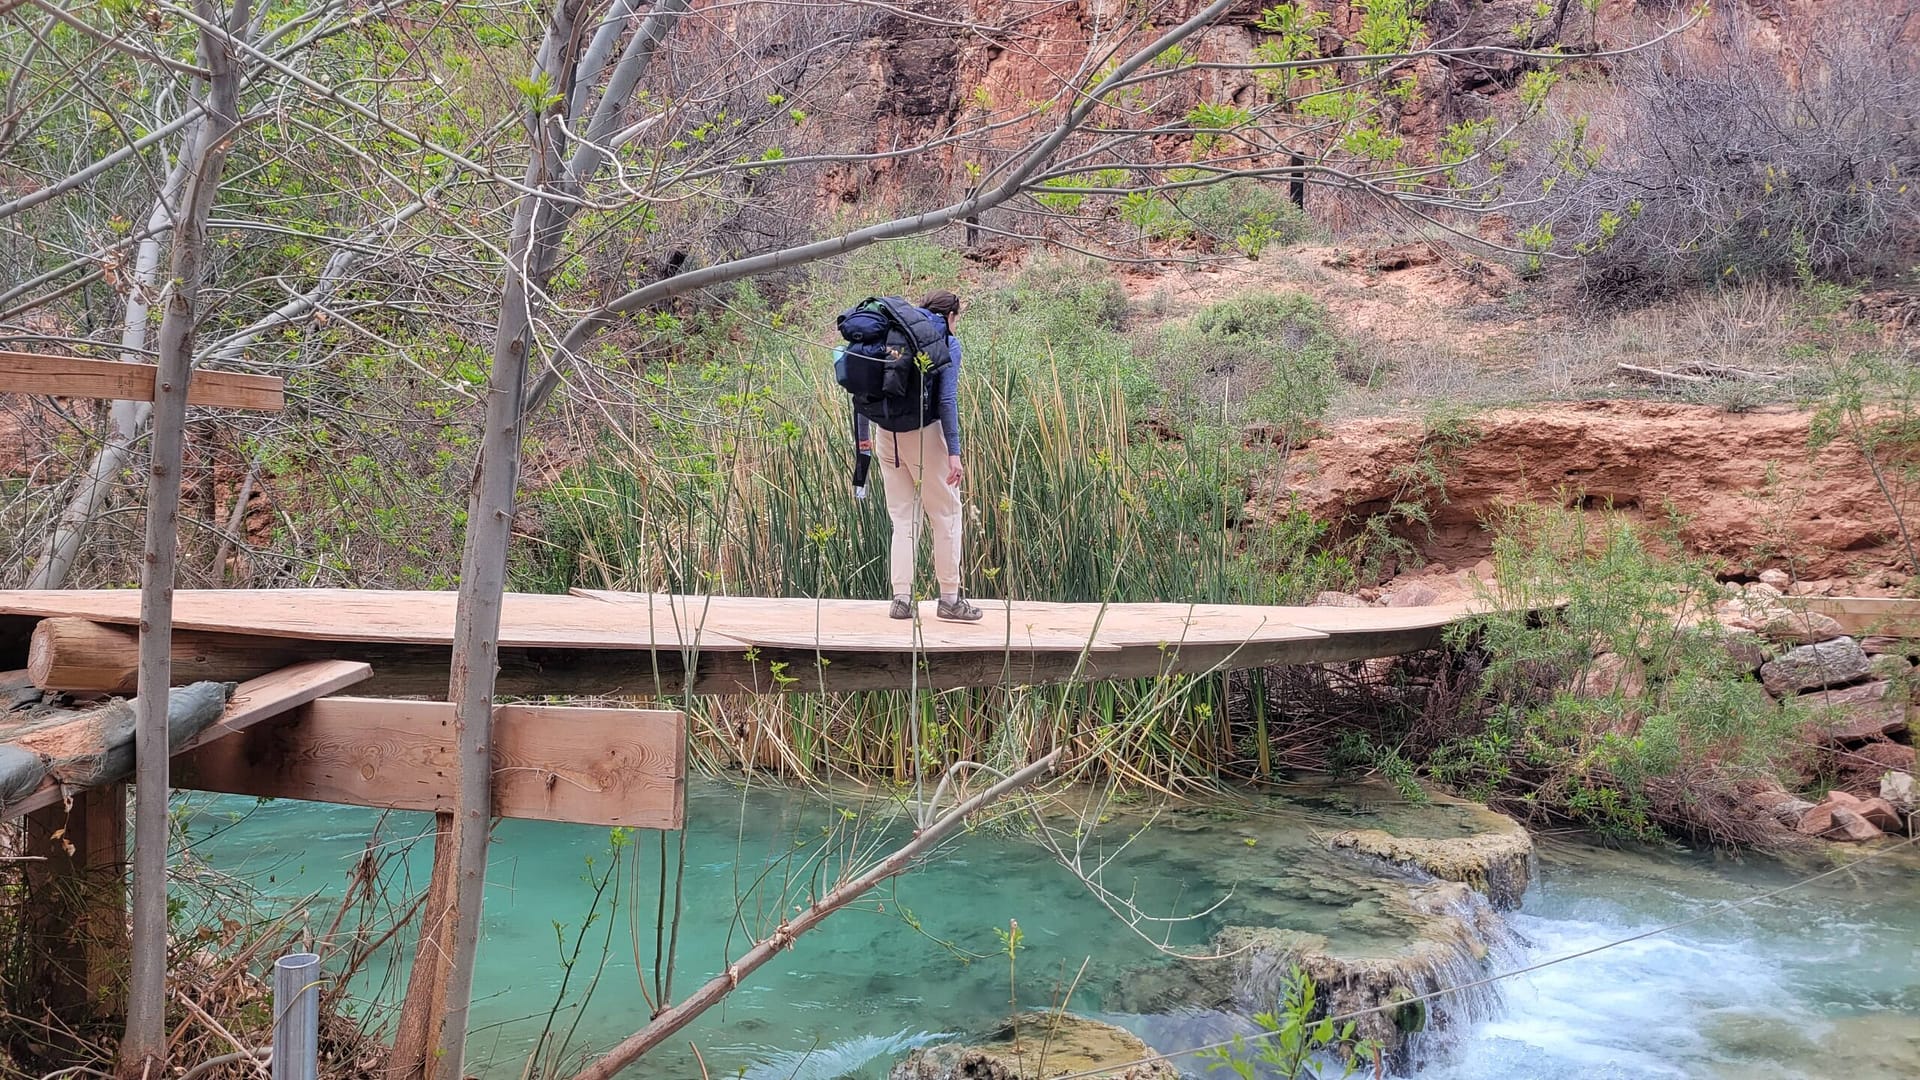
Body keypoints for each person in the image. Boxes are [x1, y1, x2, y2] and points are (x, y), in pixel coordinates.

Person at [854, 290, 981, 622]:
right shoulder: (945, 342)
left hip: (887, 435)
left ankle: (901, 599)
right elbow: (947, 402)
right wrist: (954, 452)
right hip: (925, 434)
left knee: (903, 519)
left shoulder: (892, 333)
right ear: (951, 315)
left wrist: (864, 440)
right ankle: (950, 599)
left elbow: (863, 392)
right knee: (946, 515)